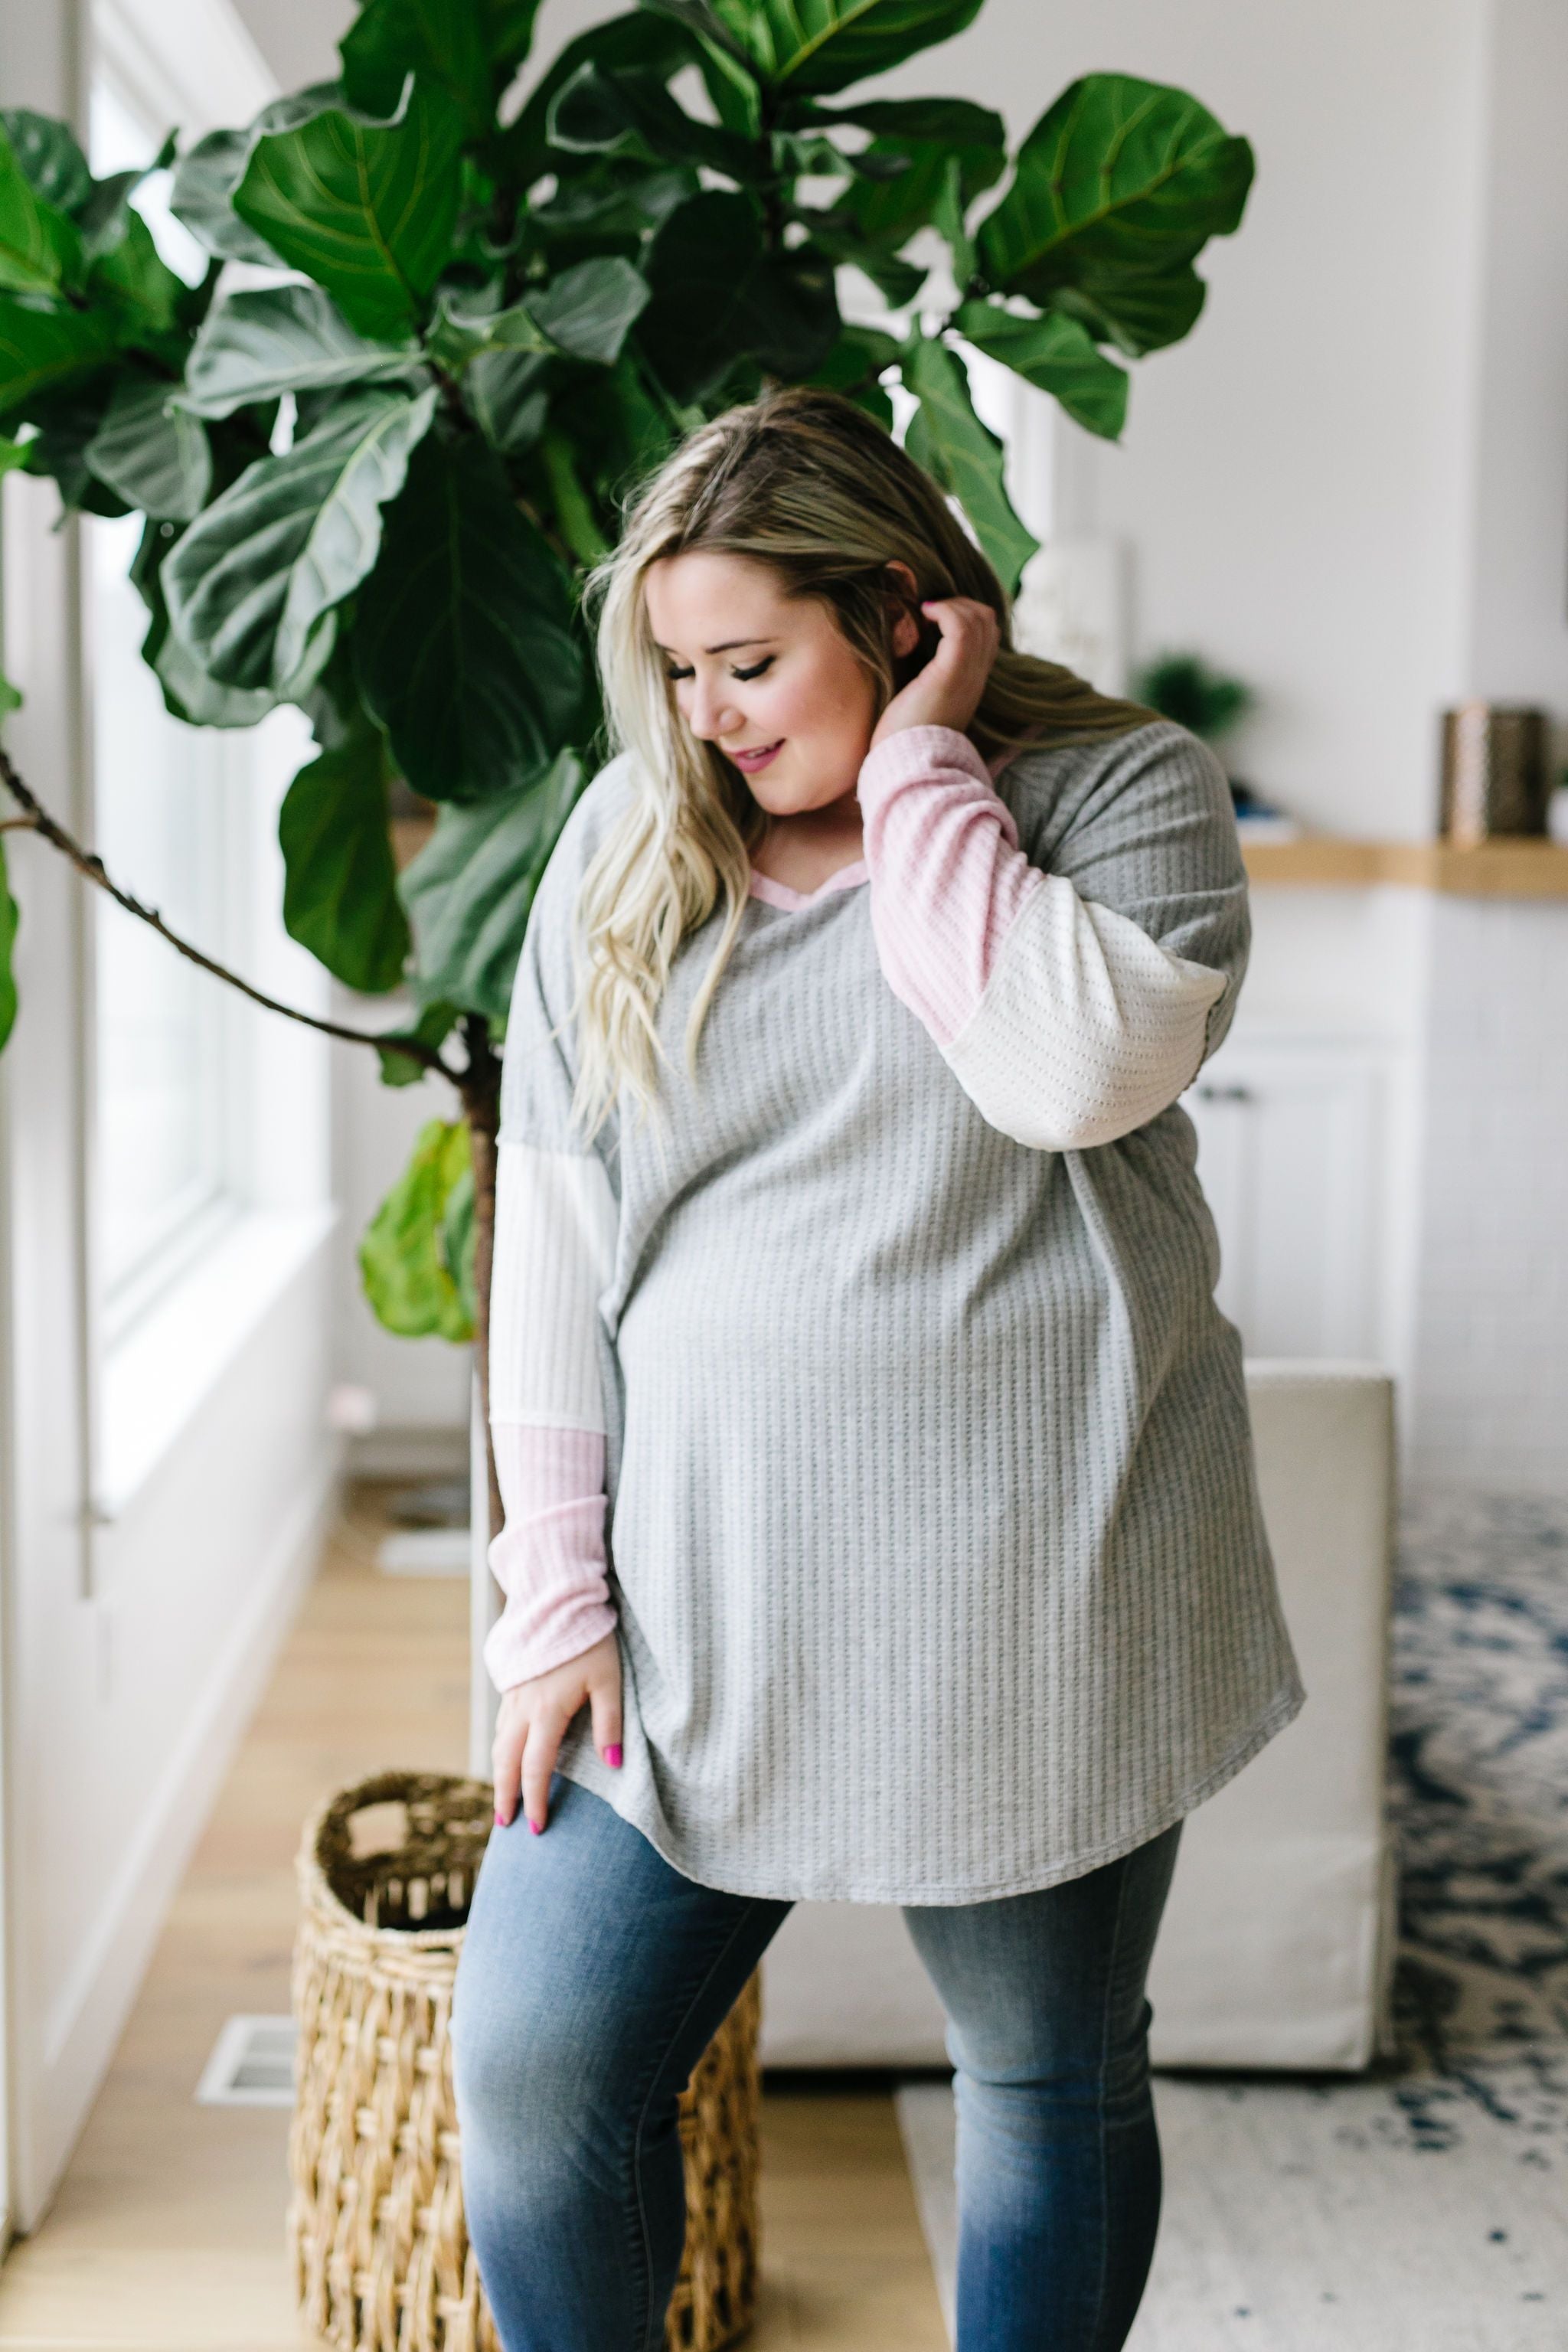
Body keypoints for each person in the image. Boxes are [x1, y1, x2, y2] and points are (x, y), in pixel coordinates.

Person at [449, 385, 1305, 2351]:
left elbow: (1063, 1070)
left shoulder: (1123, 797)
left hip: (1040, 1594)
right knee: (539, 2069)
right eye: (675, 671)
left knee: (1043, 2081)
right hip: (693, 1603)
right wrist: (550, 1595)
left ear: (904, 615)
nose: (709, 719)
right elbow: (560, 1238)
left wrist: (924, 775)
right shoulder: (630, 836)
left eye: (749, 662)